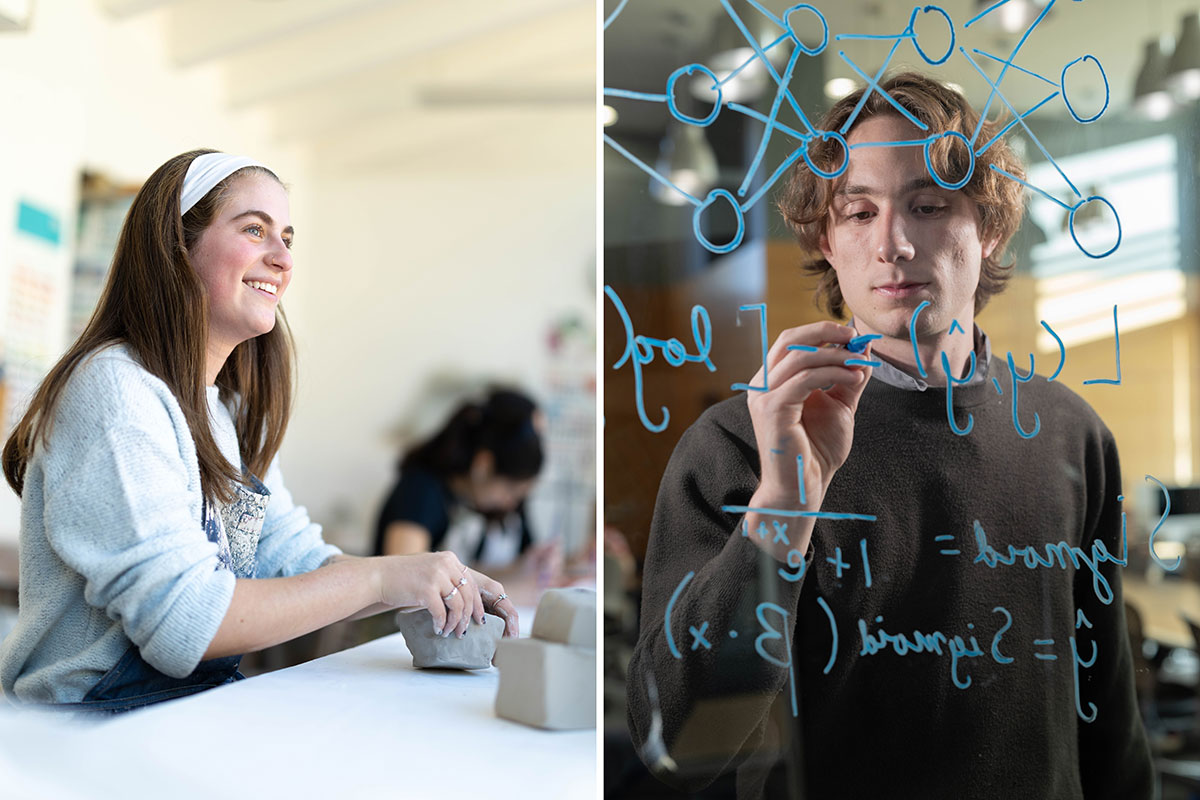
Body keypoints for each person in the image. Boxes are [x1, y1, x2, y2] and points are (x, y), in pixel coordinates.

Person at [625, 73, 1153, 799]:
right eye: (858, 213)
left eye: (928, 206)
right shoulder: (736, 446)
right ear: (826, 240)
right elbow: (676, 742)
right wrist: (784, 508)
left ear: (990, 228)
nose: (893, 245)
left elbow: (1110, 726)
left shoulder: (1073, 437)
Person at [0, 150, 519, 712]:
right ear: (176, 248)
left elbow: (300, 562)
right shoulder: (114, 389)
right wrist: (379, 582)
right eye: (255, 230)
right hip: (80, 733)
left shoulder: (224, 412)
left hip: (173, 715)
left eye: (288, 239)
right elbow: (182, 624)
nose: (283, 259)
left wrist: (423, 576)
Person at [373, 389, 550, 573]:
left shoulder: (478, 502)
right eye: (509, 490)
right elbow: (404, 577)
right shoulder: (420, 490)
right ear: (483, 465)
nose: (511, 502)